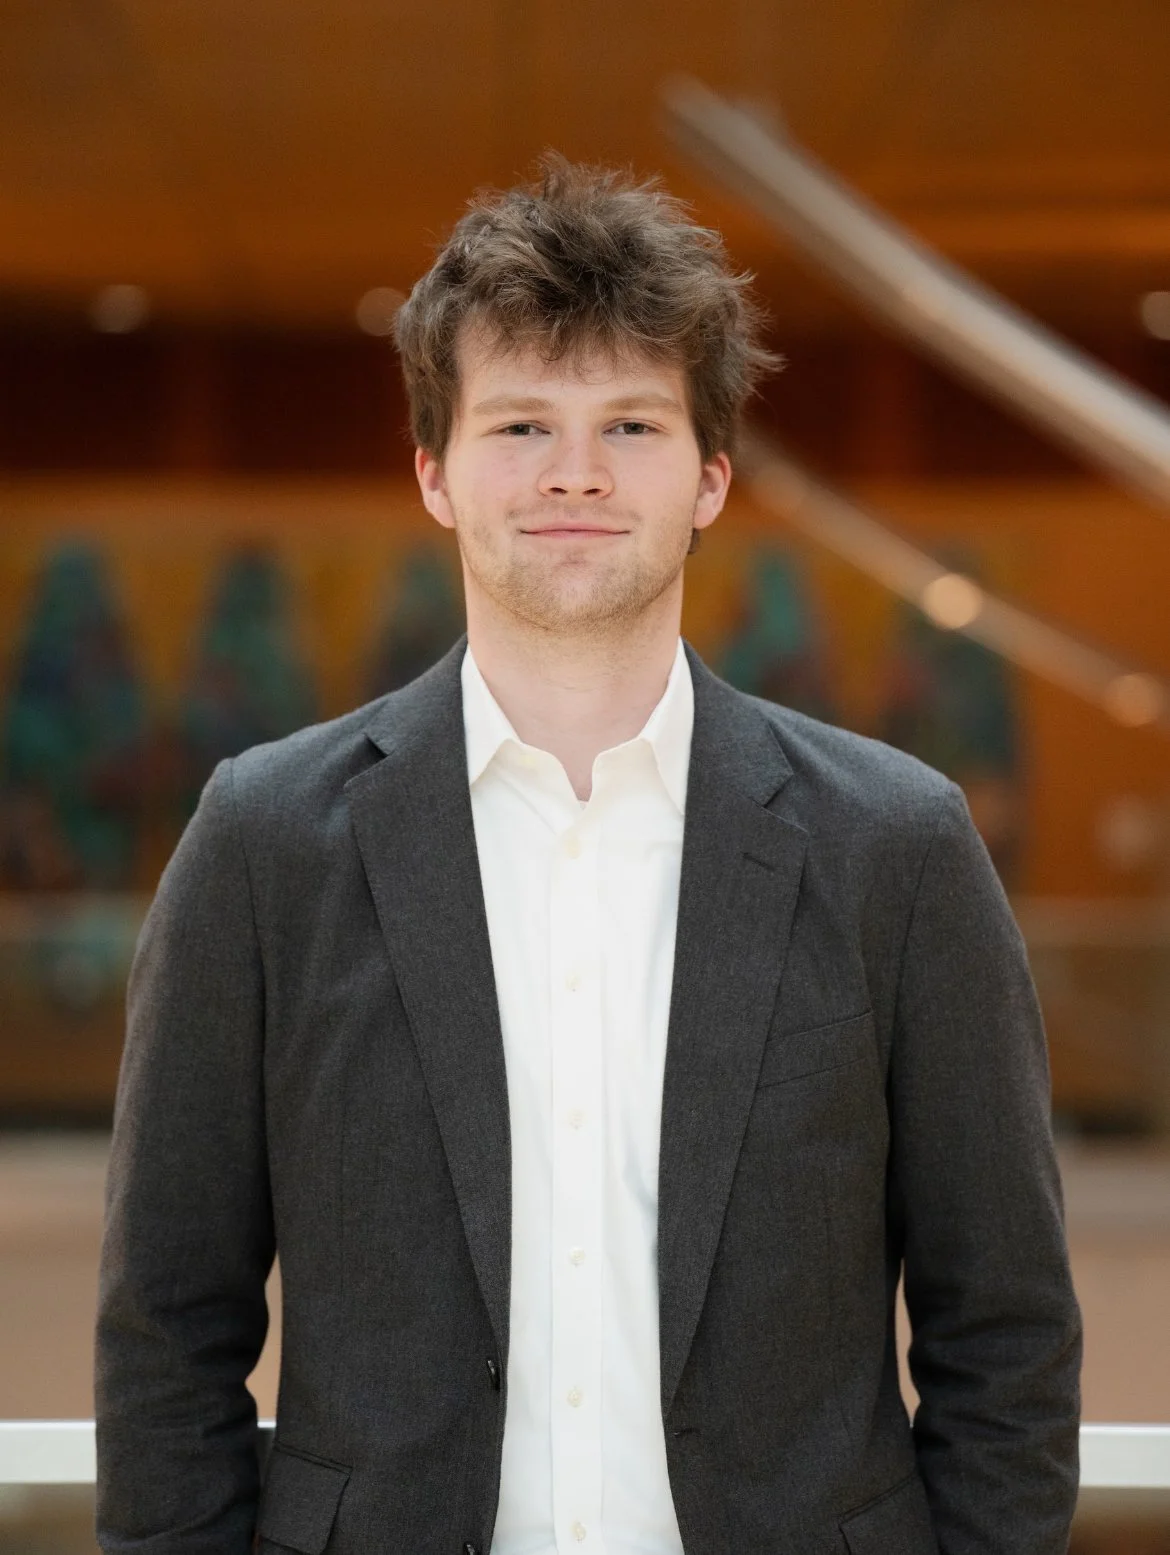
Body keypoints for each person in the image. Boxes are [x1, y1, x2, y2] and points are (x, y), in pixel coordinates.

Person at [95, 157, 1082, 1555]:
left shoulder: (897, 846)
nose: (574, 470)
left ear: (711, 477)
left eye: (630, 422)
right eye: (519, 425)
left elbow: (1008, 1332)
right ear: (434, 473)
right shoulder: (262, 843)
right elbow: (165, 1329)